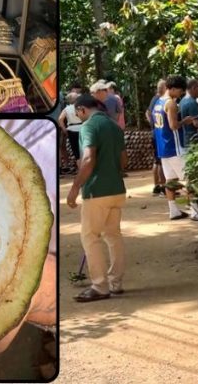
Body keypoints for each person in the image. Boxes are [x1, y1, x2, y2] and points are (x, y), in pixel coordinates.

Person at [66, 94, 128, 303]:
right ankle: (116, 283)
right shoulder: (114, 126)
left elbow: (89, 158)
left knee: (90, 237)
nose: (78, 117)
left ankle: (100, 285)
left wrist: (75, 187)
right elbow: (123, 161)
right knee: (113, 235)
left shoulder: (89, 127)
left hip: (96, 191)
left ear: (83, 109)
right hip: (117, 189)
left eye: (77, 113)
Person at [152, 75, 198, 221]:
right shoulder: (170, 104)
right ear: (173, 89)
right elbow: (173, 126)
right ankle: (195, 210)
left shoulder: (158, 102)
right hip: (174, 146)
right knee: (189, 178)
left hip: (163, 147)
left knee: (170, 179)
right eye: (180, 91)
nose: (181, 94)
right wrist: (185, 121)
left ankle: (173, 210)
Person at [146, 79, 167, 196]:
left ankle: (157, 185)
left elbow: (147, 113)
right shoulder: (160, 100)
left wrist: (152, 124)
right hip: (159, 133)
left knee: (157, 160)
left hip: (155, 131)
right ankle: (163, 186)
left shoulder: (154, 99)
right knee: (161, 160)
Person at [57, 92, 83, 175]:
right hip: (82, 128)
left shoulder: (66, 109)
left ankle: (80, 170)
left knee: (76, 151)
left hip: (71, 130)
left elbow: (60, 119)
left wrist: (64, 129)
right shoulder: (80, 107)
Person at [180, 77, 198, 146]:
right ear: (194, 88)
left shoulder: (183, 100)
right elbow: (197, 123)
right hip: (194, 140)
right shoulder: (191, 103)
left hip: (186, 138)